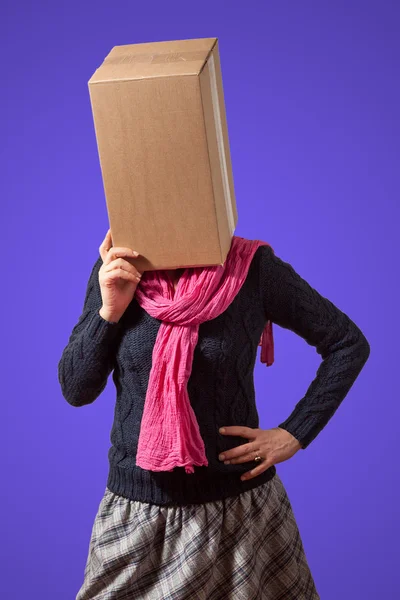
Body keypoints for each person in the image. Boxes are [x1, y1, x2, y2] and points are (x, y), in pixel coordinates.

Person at [58, 228, 370, 600]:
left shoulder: (252, 269)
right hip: (139, 514)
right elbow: (76, 390)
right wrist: (109, 310)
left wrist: (294, 433)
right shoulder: (119, 268)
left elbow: (347, 344)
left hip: (240, 515)